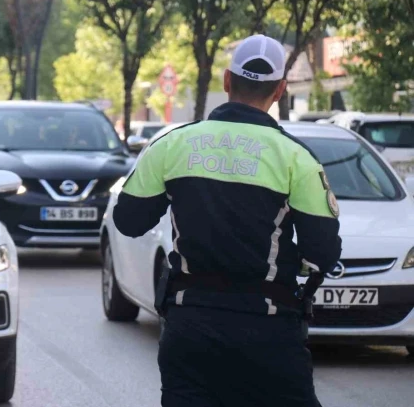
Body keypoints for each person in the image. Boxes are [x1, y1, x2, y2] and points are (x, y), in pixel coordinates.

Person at [113, 34, 342, 407]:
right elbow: (324, 251)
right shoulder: (297, 158)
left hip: (190, 325)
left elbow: (129, 220)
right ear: (281, 90)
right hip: (269, 330)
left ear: (225, 80)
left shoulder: (172, 144)